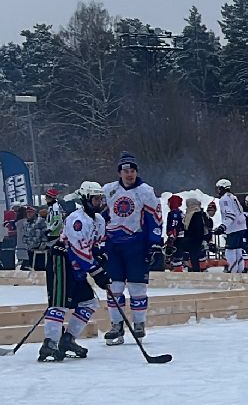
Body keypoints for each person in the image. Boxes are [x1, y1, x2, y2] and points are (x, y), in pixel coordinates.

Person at [39, 183, 109, 362]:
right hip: (62, 261)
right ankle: (50, 343)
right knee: (59, 303)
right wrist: (97, 271)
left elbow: (97, 244)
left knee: (89, 303)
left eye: (101, 198)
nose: (99, 202)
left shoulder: (99, 220)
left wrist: (101, 257)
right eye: (95, 199)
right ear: (86, 199)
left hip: (78, 266)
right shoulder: (76, 219)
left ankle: (67, 340)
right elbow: (78, 249)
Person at [101, 152, 163, 344]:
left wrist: (154, 243)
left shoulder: (145, 191)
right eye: (126, 170)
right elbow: (99, 216)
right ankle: (116, 326)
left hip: (136, 244)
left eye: (132, 170)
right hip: (113, 245)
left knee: (137, 287)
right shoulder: (109, 190)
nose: (130, 174)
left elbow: (155, 218)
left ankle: (139, 324)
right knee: (114, 287)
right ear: (119, 172)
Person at [215, 180, 248, 273]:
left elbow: (230, 214)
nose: (217, 191)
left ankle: (232, 272)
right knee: (238, 250)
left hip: (233, 228)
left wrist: (223, 226)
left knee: (230, 251)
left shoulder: (224, 199)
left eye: (218, 188)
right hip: (241, 227)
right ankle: (240, 271)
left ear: (222, 188)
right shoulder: (233, 197)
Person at [182, 198, 210, 270]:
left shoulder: (194, 213)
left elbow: (196, 227)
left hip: (194, 239)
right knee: (194, 258)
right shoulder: (199, 213)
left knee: (194, 259)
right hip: (196, 239)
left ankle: (195, 273)